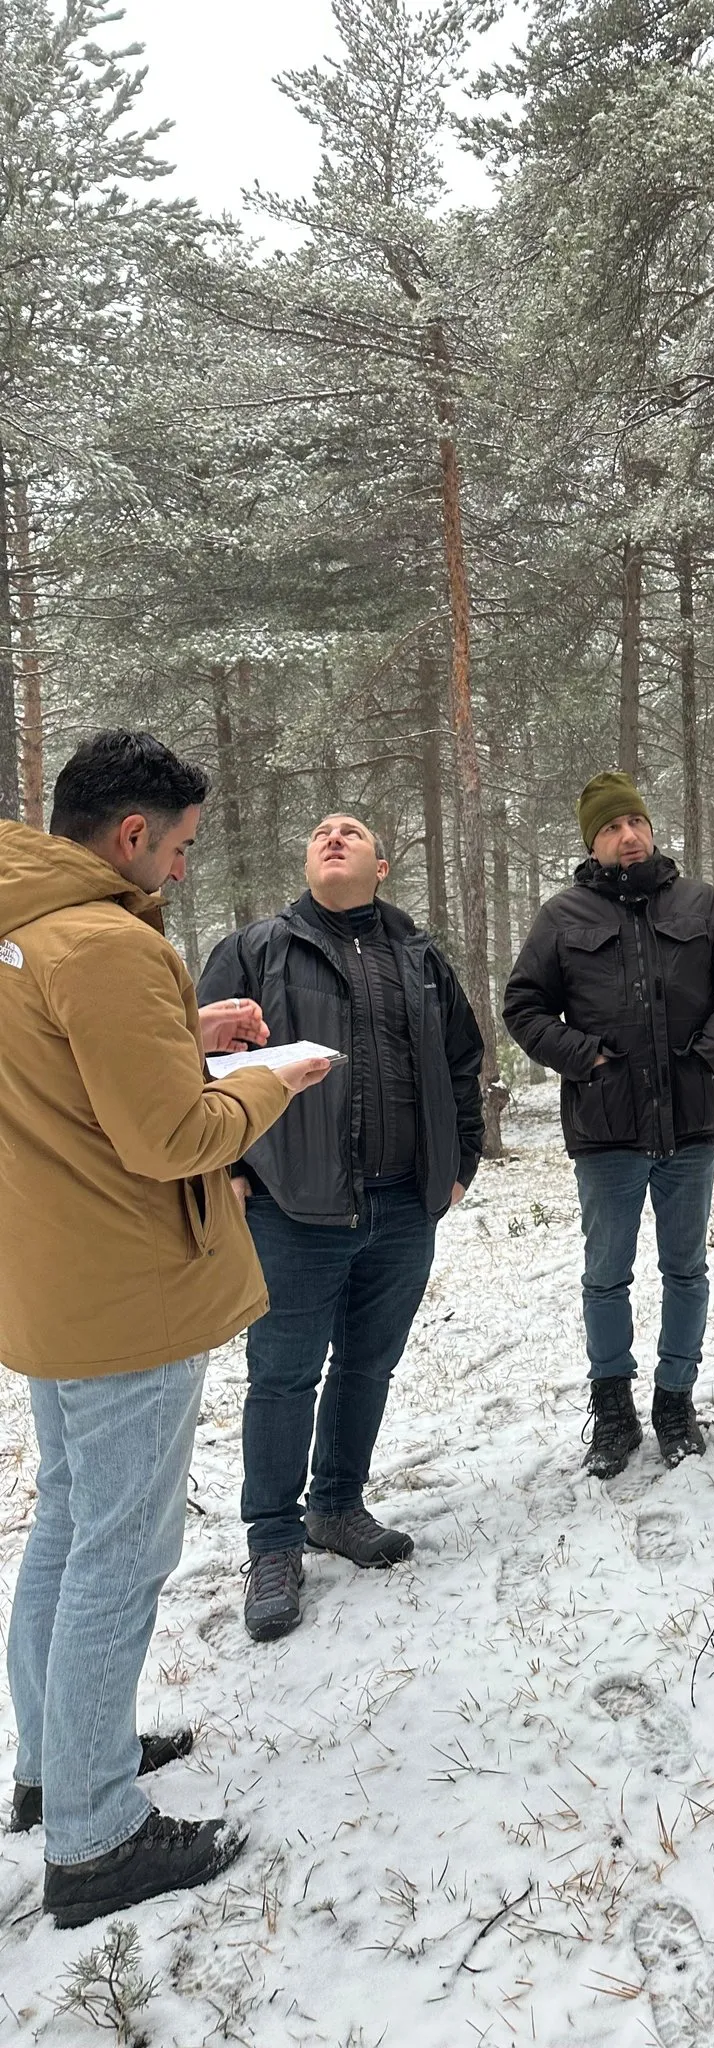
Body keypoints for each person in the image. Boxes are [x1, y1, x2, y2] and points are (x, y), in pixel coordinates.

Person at [0, 731, 332, 1927]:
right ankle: (95, 1842)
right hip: (129, 1282)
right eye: (180, 844)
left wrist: (179, 1035)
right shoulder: (104, 938)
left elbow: (61, 1074)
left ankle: (55, 1766)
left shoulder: (23, 923)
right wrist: (269, 1079)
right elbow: (170, 1140)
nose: (182, 869)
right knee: (118, 1555)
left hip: (49, 1280)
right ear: (132, 833)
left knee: (68, 1527)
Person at [198, 814, 485, 1642]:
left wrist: (458, 1158)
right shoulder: (256, 948)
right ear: (305, 858)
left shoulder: (420, 957)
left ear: (381, 864)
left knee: (368, 1364)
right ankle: (274, 1542)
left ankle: (335, 1507)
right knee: (284, 1376)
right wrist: (233, 1163)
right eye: (319, 830)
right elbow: (200, 1064)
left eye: (351, 831)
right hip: (295, 1208)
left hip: (403, 1204)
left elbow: (463, 1060)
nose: (331, 835)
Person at [503, 772, 714, 1478]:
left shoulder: (701, 905)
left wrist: (710, 1053)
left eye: (636, 823)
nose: (628, 835)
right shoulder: (562, 917)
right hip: (607, 1126)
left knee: (686, 1269)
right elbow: (524, 1006)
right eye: (611, 827)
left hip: (690, 1124)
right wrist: (585, 1058)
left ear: (650, 830)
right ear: (592, 840)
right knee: (605, 1276)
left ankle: (675, 1400)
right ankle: (614, 1408)